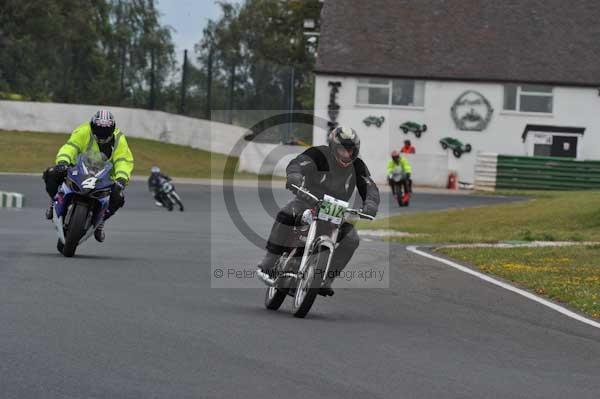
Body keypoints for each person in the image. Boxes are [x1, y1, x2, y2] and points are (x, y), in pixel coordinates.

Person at [256, 126, 380, 296]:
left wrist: (371, 204)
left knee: (351, 240)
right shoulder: (318, 155)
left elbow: (369, 186)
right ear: (333, 146)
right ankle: (270, 260)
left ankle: (326, 278)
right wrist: (294, 177)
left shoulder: (358, 166)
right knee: (286, 214)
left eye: (350, 150)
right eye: (342, 149)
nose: (346, 154)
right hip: (307, 200)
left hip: (337, 210)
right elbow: (297, 164)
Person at [43, 110, 134, 242]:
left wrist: (121, 179)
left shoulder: (119, 139)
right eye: (98, 129)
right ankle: (54, 200)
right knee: (50, 174)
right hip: (79, 170)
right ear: (92, 126)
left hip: (105, 177)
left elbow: (124, 161)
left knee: (118, 197)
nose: (102, 134)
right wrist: (62, 162)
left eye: (106, 130)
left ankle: (101, 221)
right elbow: (71, 146)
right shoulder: (84, 130)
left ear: (112, 129)